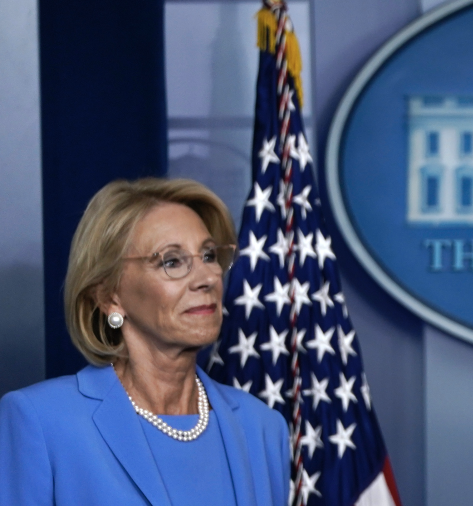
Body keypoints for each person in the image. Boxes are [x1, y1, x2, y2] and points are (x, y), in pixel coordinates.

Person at [0, 178, 289, 505]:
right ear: (110, 296)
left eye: (209, 256)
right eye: (172, 261)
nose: (208, 278)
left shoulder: (263, 427)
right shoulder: (42, 421)